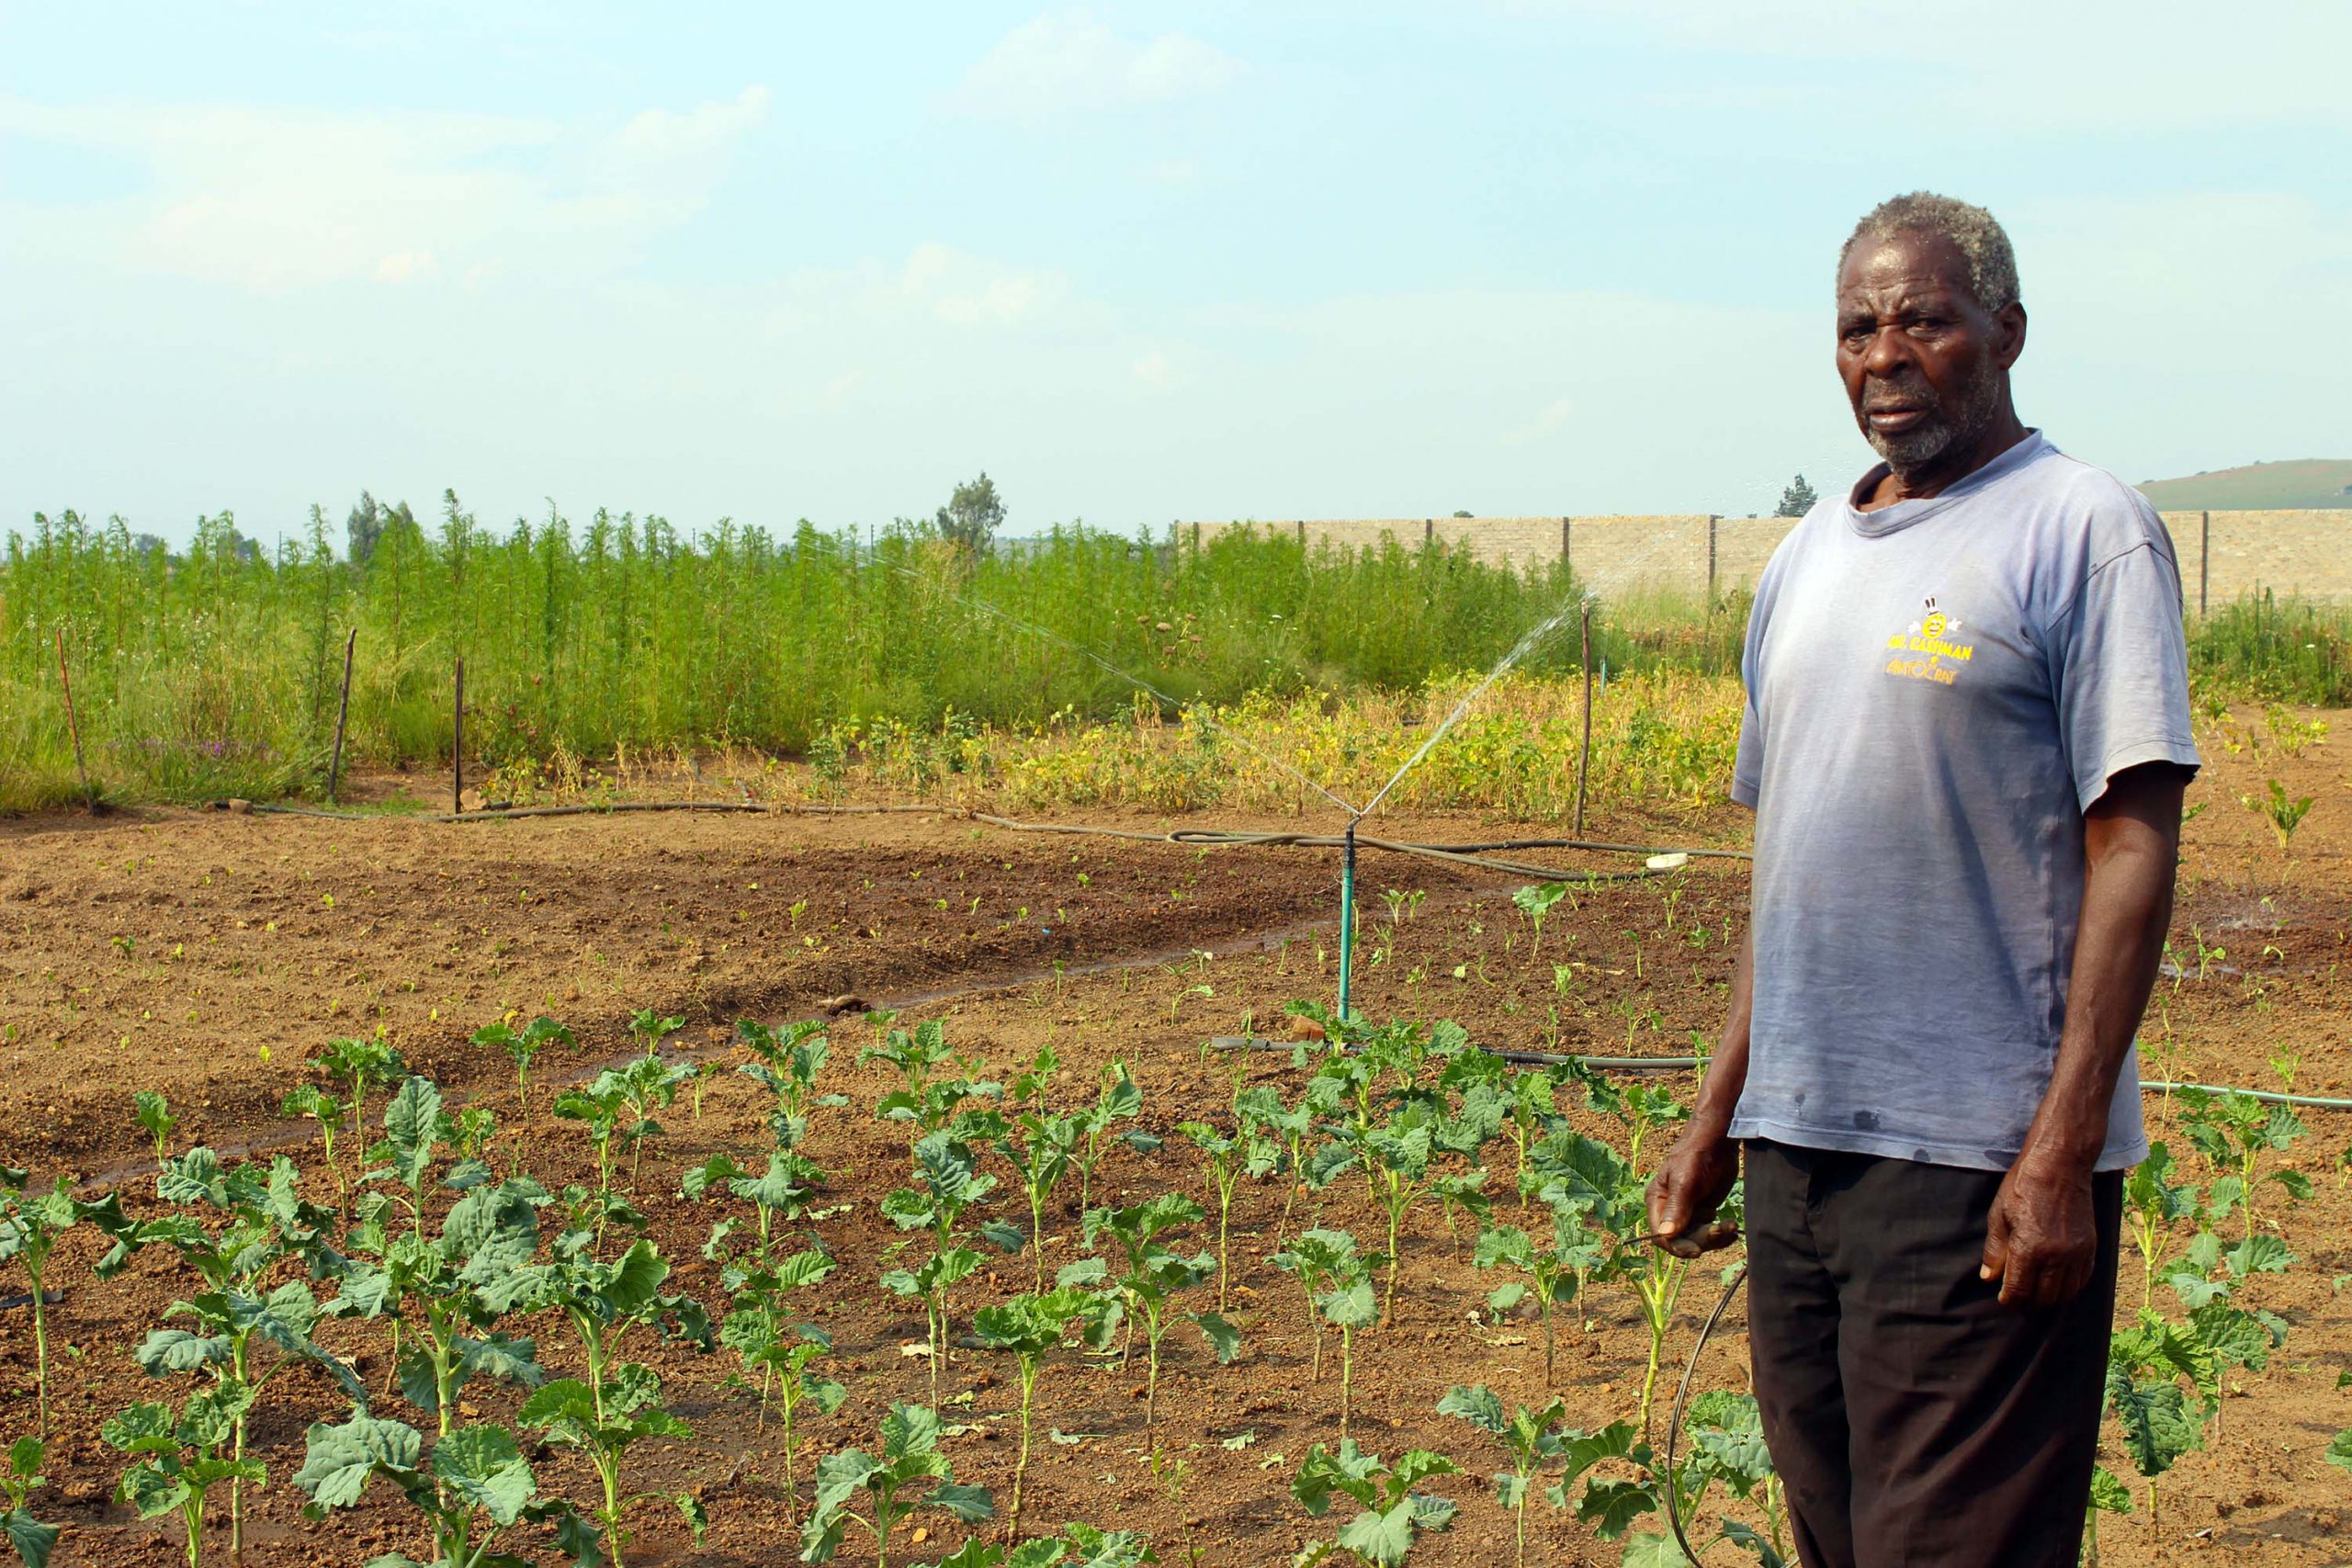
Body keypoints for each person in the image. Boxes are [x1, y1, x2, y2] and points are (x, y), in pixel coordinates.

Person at [1645, 191, 2200, 1568]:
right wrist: (1722, 1112)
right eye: (1857, 327)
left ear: (2006, 333)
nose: (1885, 354)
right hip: (1802, 1159)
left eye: (1925, 321)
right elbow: (1796, 873)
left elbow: (2134, 847)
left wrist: (2062, 1150)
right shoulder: (1803, 561)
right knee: (1838, 1538)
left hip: (1976, 1164)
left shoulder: (2083, 530)